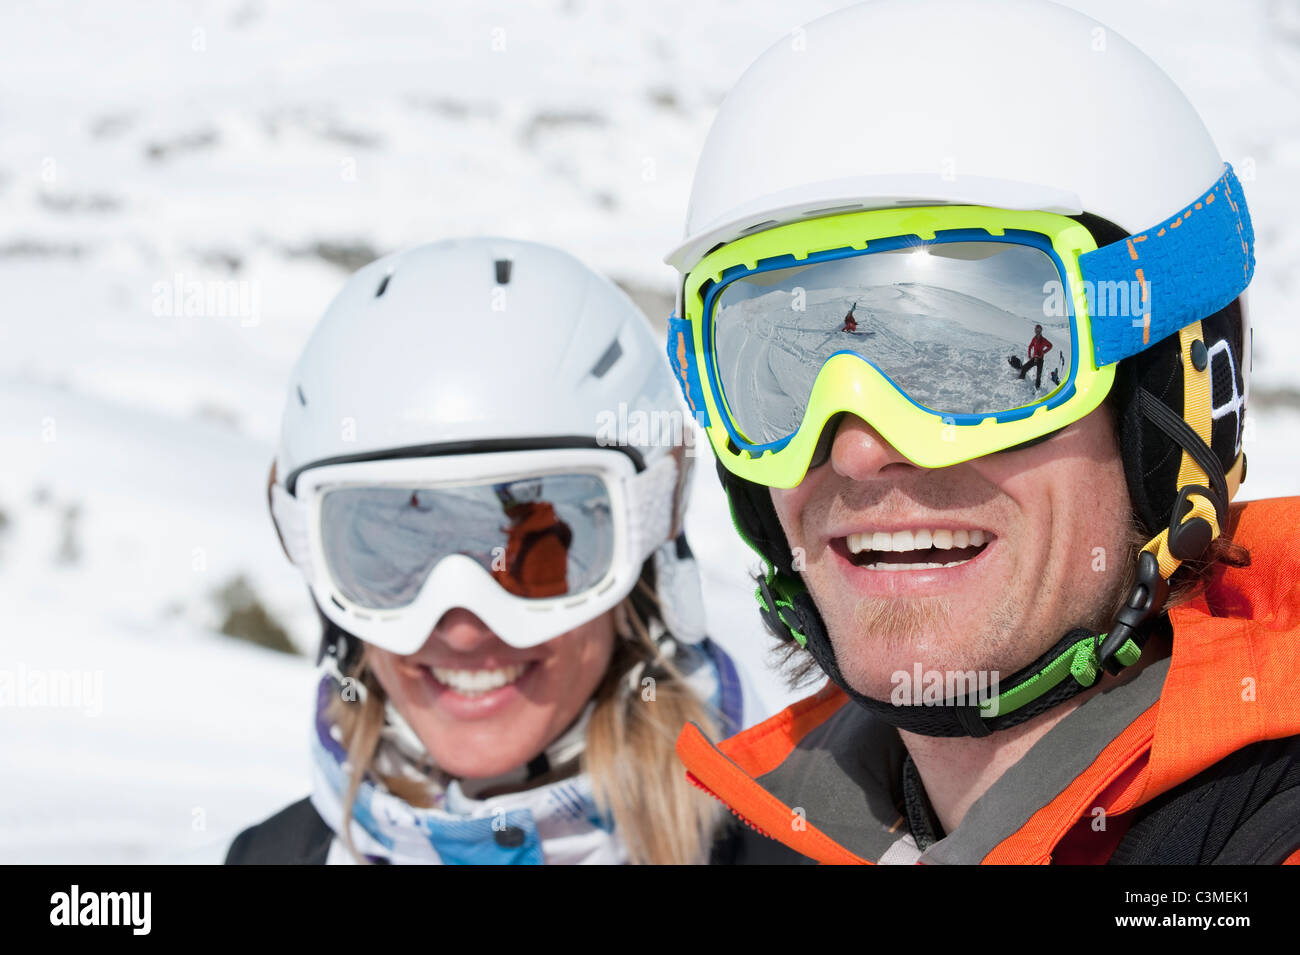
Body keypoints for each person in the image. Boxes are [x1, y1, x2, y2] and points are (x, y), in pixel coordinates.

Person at [663, 0, 1299, 864]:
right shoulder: (755, 836)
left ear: (1173, 404)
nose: (858, 447)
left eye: (969, 363)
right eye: (777, 374)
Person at [226, 237, 759, 865]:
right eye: (396, 554)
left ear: (645, 552)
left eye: (536, 559)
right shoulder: (274, 857)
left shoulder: (783, 842)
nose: (462, 627)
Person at [1017, 324, 1052, 389]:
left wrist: (1044, 352)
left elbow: (1050, 345)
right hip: (1034, 358)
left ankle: (1037, 389)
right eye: (1036, 330)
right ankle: (1021, 381)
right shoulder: (1034, 339)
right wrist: (1029, 355)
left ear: (1041, 331)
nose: (1037, 331)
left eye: (1039, 330)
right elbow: (1030, 346)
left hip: (1040, 359)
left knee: (1038, 376)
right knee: (1024, 367)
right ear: (1035, 331)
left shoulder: (1044, 340)